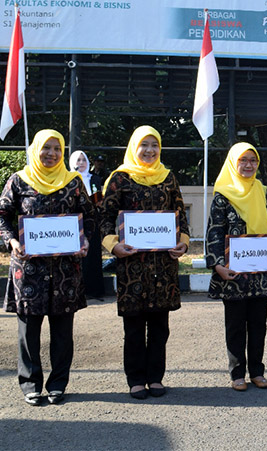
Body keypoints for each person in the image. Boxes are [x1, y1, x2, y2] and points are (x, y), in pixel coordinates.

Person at [0, 130, 94, 406]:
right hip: (28, 270)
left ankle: (58, 383)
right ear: (35, 149)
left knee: (63, 331)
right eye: (46, 148)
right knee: (28, 330)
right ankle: (30, 383)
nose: (51, 154)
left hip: (65, 270)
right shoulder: (18, 181)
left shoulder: (74, 182)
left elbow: (88, 216)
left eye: (56, 148)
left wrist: (85, 239)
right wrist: (12, 241)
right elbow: (2, 216)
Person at [100, 125, 189, 399]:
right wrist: (113, 245)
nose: (150, 150)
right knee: (135, 326)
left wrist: (183, 243)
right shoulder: (120, 179)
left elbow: (180, 216)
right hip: (132, 266)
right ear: (134, 146)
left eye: (154, 145)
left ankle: (156, 378)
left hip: (163, 266)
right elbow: (104, 218)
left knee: (160, 326)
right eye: (144, 145)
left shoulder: (169, 177)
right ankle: (136, 379)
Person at [206, 143, 267, 391]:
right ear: (233, 162)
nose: (249, 165)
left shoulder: (264, 192)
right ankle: (237, 373)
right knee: (235, 324)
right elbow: (214, 233)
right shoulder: (223, 195)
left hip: (260, 272)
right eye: (243, 160)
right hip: (232, 273)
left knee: (258, 324)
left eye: (253, 160)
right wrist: (218, 265)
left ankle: (258, 372)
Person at [69, 150, 105, 300]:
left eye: (83, 160)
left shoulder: (94, 179)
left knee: (93, 254)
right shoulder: (69, 180)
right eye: (78, 160)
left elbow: (98, 197)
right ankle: (77, 290)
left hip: (92, 220)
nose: (81, 163)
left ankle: (94, 290)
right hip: (74, 222)